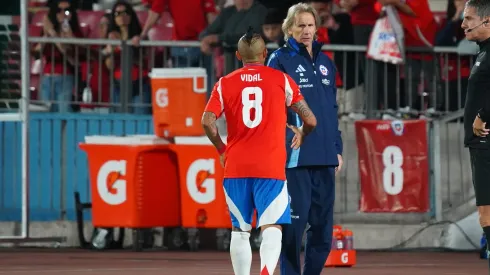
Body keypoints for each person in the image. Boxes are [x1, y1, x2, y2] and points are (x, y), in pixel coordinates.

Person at [201, 28, 317, 275]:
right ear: (265, 53)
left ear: (237, 55)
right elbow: (311, 120)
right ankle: (266, 271)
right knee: (272, 225)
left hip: (236, 166)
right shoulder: (282, 80)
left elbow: (207, 121)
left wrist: (221, 149)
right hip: (270, 167)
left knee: (240, 229)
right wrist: (302, 132)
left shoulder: (224, 84)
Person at [267, 3, 343, 275]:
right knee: (293, 228)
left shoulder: (326, 63)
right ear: (289, 28)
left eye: (310, 25)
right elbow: (271, 109)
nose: (306, 30)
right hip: (295, 156)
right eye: (300, 25)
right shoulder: (279, 60)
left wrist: (337, 147)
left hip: (324, 155)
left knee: (323, 230)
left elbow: (332, 108)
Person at [461, 0, 490, 270]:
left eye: (469, 18)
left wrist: (484, 114)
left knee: (487, 214)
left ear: (487, 21)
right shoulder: (483, 52)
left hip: (486, 144)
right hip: (481, 144)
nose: (463, 24)